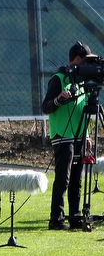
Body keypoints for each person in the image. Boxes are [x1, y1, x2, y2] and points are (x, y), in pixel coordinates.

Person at [42, 41, 93, 231]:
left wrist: (87, 133)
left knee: (77, 180)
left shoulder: (81, 84)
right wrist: (58, 99)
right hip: (62, 135)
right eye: (87, 62)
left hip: (79, 135)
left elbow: (82, 110)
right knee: (63, 178)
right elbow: (46, 106)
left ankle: (75, 217)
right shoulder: (58, 79)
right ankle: (56, 219)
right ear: (78, 59)